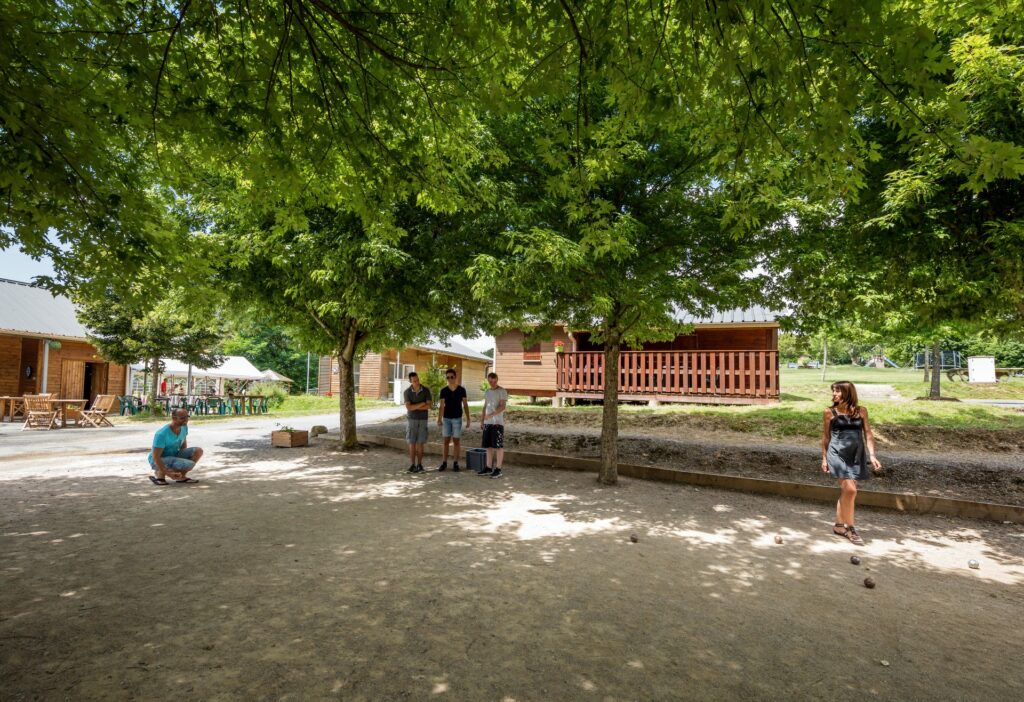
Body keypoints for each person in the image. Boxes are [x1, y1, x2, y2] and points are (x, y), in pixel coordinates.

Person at [821, 380, 882, 545]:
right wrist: (825, 458)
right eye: (833, 391)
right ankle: (851, 528)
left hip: (856, 454)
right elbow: (826, 437)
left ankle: (839, 526)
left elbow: (868, 434)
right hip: (837, 454)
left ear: (848, 393)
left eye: (837, 391)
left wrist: (873, 455)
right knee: (850, 490)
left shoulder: (861, 411)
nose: (834, 394)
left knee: (848, 491)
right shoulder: (829, 412)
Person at [148, 408, 203, 485]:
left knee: (198, 451)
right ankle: (160, 473)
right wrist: (168, 473)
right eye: (182, 418)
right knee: (188, 464)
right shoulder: (161, 434)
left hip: (173, 454)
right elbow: (155, 457)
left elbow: (183, 441)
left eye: (187, 417)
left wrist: (182, 461)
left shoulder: (184, 427)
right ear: (173, 418)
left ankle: (181, 476)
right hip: (157, 460)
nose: (186, 420)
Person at [437, 368, 471, 471]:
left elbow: (465, 405)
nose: (450, 379)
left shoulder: (461, 390)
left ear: (455, 377)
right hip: (446, 418)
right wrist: (439, 418)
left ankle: (455, 463)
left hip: (457, 418)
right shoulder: (443, 391)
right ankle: (444, 462)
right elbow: (442, 406)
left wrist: (468, 418)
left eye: (452, 377)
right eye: (447, 377)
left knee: (456, 441)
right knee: (446, 441)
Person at [478, 372, 508, 478]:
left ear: (497, 380)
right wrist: (482, 420)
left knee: (498, 446)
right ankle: (488, 467)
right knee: (488, 446)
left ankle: (498, 469)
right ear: (488, 381)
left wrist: (491, 415)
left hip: (497, 423)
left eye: (494, 381)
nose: (493, 383)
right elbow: (485, 406)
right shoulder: (487, 392)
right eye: (490, 381)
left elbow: (502, 406)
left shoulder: (502, 391)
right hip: (487, 423)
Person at [404, 371, 432, 473]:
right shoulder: (407, 392)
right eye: (414, 381)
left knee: (420, 443)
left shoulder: (426, 390)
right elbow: (409, 407)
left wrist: (414, 406)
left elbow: (429, 405)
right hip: (411, 420)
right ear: (410, 381)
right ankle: (412, 465)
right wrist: (421, 404)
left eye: (418, 380)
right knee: (412, 443)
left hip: (423, 420)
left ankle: (420, 465)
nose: (417, 382)